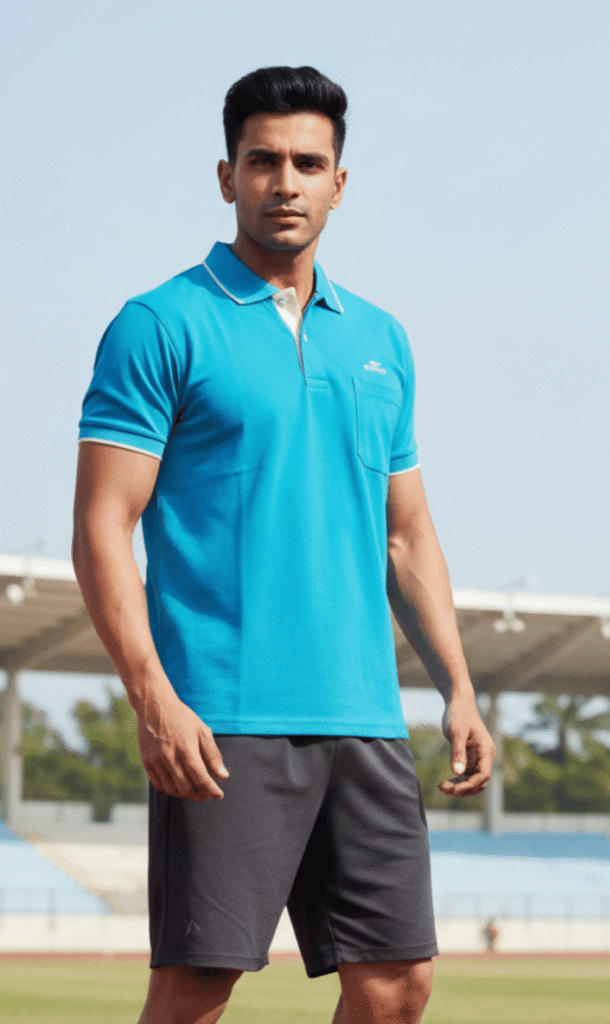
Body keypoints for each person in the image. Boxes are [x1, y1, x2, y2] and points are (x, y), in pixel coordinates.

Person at [72, 65, 494, 1024]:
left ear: (339, 184)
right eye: (262, 161)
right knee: (197, 989)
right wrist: (152, 697)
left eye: (308, 164)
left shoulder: (380, 339)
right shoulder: (158, 325)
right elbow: (102, 525)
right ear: (227, 177)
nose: (285, 182)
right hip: (223, 715)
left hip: (365, 716)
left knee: (397, 984)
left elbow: (406, 534)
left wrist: (458, 686)